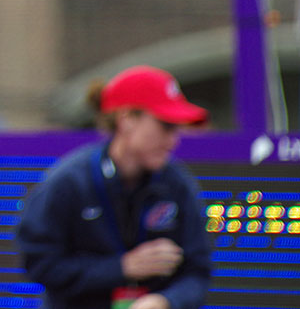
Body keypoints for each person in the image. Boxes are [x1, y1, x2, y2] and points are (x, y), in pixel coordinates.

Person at [16, 65, 212, 309]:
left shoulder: (177, 184)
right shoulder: (68, 183)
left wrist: (165, 301)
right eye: (165, 126)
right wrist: (121, 267)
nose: (173, 140)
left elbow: (198, 273)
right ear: (127, 119)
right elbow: (41, 265)